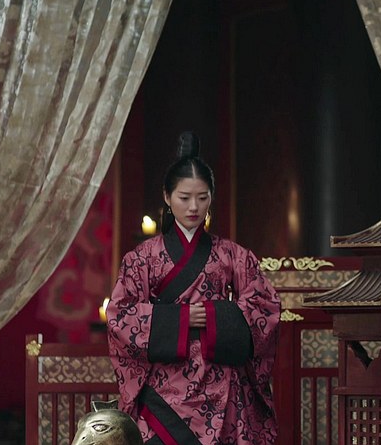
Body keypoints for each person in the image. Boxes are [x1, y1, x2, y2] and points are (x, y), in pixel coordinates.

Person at [106, 132, 280, 444]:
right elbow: (120, 315)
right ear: (167, 196)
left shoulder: (233, 255)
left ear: (212, 197)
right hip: (161, 389)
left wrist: (213, 317)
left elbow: (265, 307)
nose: (194, 207)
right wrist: (183, 319)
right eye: (184, 198)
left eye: (202, 197)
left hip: (221, 388)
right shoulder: (142, 257)